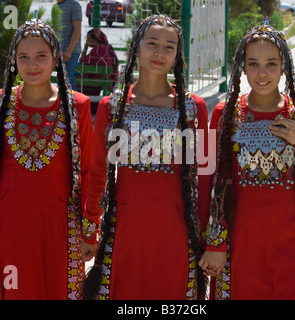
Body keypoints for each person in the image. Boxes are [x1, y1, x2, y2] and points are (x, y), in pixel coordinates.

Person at [81, 14, 211, 300]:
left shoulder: (195, 108)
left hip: (177, 233)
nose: (159, 53)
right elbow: (97, 172)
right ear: (136, 47)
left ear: (178, 55)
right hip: (125, 231)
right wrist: (90, 228)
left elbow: (206, 178)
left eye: (169, 46)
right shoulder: (110, 106)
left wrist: (208, 241)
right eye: (152, 43)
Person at [0, 18, 94, 300]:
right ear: (14, 61)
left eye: (41, 56)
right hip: (9, 225)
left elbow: (88, 172)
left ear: (56, 59)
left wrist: (89, 231)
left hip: (61, 229)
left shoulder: (78, 106)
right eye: (24, 57)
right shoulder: (0, 102)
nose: (32, 65)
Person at [204, 18, 295, 300]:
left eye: (271, 63)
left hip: (290, 240)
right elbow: (211, 182)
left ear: (284, 66)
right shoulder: (224, 114)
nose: (263, 73)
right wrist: (215, 241)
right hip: (240, 239)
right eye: (253, 64)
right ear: (242, 67)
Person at [79, 28, 119, 114]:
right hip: (106, 80)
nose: (87, 41)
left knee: (76, 78)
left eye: (89, 39)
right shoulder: (107, 48)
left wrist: (85, 48)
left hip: (94, 81)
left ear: (95, 40)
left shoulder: (96, 50)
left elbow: (82, 62)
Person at [57, 0, 82, 91]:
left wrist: (69, 51)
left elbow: (77, 30)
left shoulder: (74, 5)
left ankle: (73, 103)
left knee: (66, 81)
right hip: (59, 51)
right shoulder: (56, 6)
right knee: (61, 81)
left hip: (70, 52)